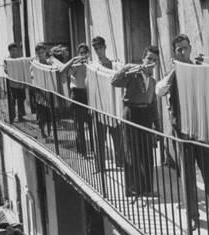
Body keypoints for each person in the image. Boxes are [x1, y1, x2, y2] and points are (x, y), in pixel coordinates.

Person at [156, 34, 209, 231]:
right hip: (182, 133)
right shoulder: (171, 72)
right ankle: (193, 216)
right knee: (188, 176)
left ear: (190, 47)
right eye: (179, 50)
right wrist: (175, 71)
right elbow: (159, 91)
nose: (183, 52)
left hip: (202, 132)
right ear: (174, 53)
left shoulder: (200, 69)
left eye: (185, 48)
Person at [111, 46, 160, 197]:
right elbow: (114, 81)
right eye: (149, 58)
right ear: (143, 58)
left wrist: (157, 127)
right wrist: (129, 69)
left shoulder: (152, 80)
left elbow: (153, 104)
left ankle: (147, 189)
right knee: (131, 151)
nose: (151, 62)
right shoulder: (132, 73)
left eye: (154, 60)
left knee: (146, 152)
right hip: (131, 112)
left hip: (145, 115)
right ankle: (132, 188)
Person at [91, 36, 125, 170]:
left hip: (113, 106)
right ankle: (100, 166)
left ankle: (120, 162)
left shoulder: (114, 65)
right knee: (99, 138)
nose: (98, 51)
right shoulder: (94, 67)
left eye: (100, 48)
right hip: (99, 106)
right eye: (96, 49)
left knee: (117, 136)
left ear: (105, 47)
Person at [58, 43, 93, 156]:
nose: (83, 55)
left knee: (91, 124)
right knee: (79, 125)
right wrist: (75, 64)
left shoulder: (91, 65)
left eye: (85, 53)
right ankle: (82, 152)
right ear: (78, 54)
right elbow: (66, 73)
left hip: (87, 95)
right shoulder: (75, 66)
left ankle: (93, 149)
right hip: (77, 94)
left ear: (88, 54)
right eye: (81, 53)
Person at [33, 43, 53, 140]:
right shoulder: (35, 64)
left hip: (49, 92)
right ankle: (43, 133)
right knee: (42, 116)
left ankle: (49, 133)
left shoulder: (49, 63)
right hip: (39, 93)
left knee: (49, 116)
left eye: (42, 52)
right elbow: (32, 76)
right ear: (37, 54)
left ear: (45, 53)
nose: (41, 55)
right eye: (39, 53)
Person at [4, 42, 26, 123]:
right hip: (12, 83)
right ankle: (12, 117)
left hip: (20, 83)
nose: (15, 52)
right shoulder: (7, 60)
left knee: (21, 99)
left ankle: (20, 116)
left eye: (16, 50)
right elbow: (6, 70)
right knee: (13, 101)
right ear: (9, 51)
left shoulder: (19, 59)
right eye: (13, 50)